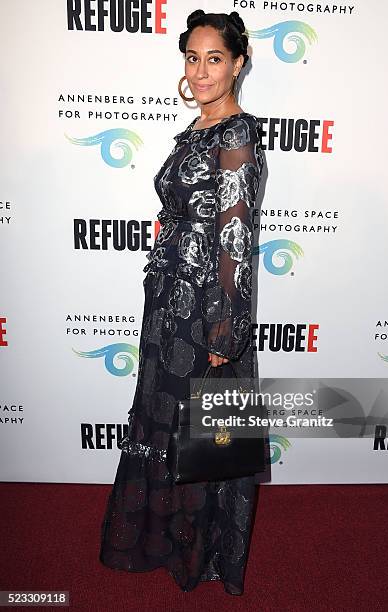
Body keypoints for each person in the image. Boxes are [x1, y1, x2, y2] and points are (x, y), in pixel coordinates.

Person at [99, 8, 266, 596]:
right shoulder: (194, 131)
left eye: (213, 58)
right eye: (192, 58)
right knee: (168, 428)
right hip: (167, 303)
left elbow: (236, 240)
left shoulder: (237, 134)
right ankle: (165, 540)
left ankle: (196, 557)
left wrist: (224, 333)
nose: (199, 71)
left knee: (203, 438)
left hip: (203, 316)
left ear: (238, 64)